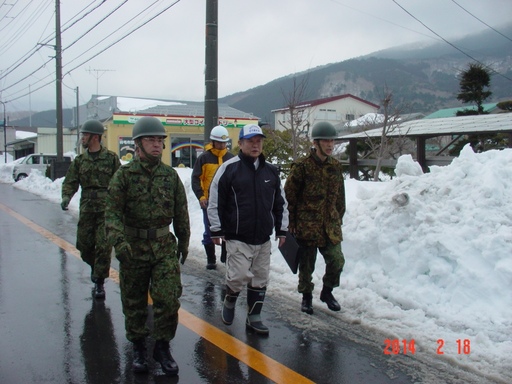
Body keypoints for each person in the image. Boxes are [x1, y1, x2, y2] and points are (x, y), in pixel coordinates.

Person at [105, 116, 190, 376]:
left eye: (159, 140)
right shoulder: (124, 176)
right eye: (151, 140)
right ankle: (139, 347)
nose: (157, 145)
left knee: (168, 298)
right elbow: (112, 214)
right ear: (138, 144)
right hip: (134, 247)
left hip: (164, 246)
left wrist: (184, 242)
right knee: (134, 301)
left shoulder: (170, 176)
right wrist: (119, 243)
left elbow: (181, 212)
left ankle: (162, 347)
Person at [207, 123, 288, 335]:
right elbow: (215, 200)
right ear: (240, 143)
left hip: (262, 237)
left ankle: (254, 318)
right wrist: (215, 229)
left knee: (260, 277)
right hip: (237, 236)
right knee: (238, 276)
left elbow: (280, 203)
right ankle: (230, 299)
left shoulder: (271, 171)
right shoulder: (228, 169)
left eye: (258, 141)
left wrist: (282, 230)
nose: (255, 145)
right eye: (250, 141)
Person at [284, 121, 346, 315]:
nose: (329, 145)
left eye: (332, 141)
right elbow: (289, 197)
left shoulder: (335, 166)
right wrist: (291, 223)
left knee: (337, 261)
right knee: (306, 265)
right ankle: (306, 296)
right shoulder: (302, 167)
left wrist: (338, 218)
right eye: (325, 141)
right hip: (307, 225)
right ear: (315, 143)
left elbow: (340, 198)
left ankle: (327, 292)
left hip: (329, 225)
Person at [61, 119, 121, 299]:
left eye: (85, 135)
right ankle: (96, 268)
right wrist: (66, 196)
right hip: (87, 208)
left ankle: (99, 282)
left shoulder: (111, 159)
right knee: (84, 246)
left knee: (103, 247)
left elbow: (119, 183)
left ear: (95, 137)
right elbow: (71, 181)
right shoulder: (80, 161)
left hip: (106, 210)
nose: (82, 138)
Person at [191, 125, 234, 269]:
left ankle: (225, 255)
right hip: (209, 202)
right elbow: (196, 179)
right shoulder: (204, 158)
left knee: (228, 231)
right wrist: (201, 196)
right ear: (213, 142)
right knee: (210, 230)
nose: (222, 145)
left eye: (224, 142)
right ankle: (211, 258)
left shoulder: (231, 158)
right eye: (219, 142)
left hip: (227, 203)